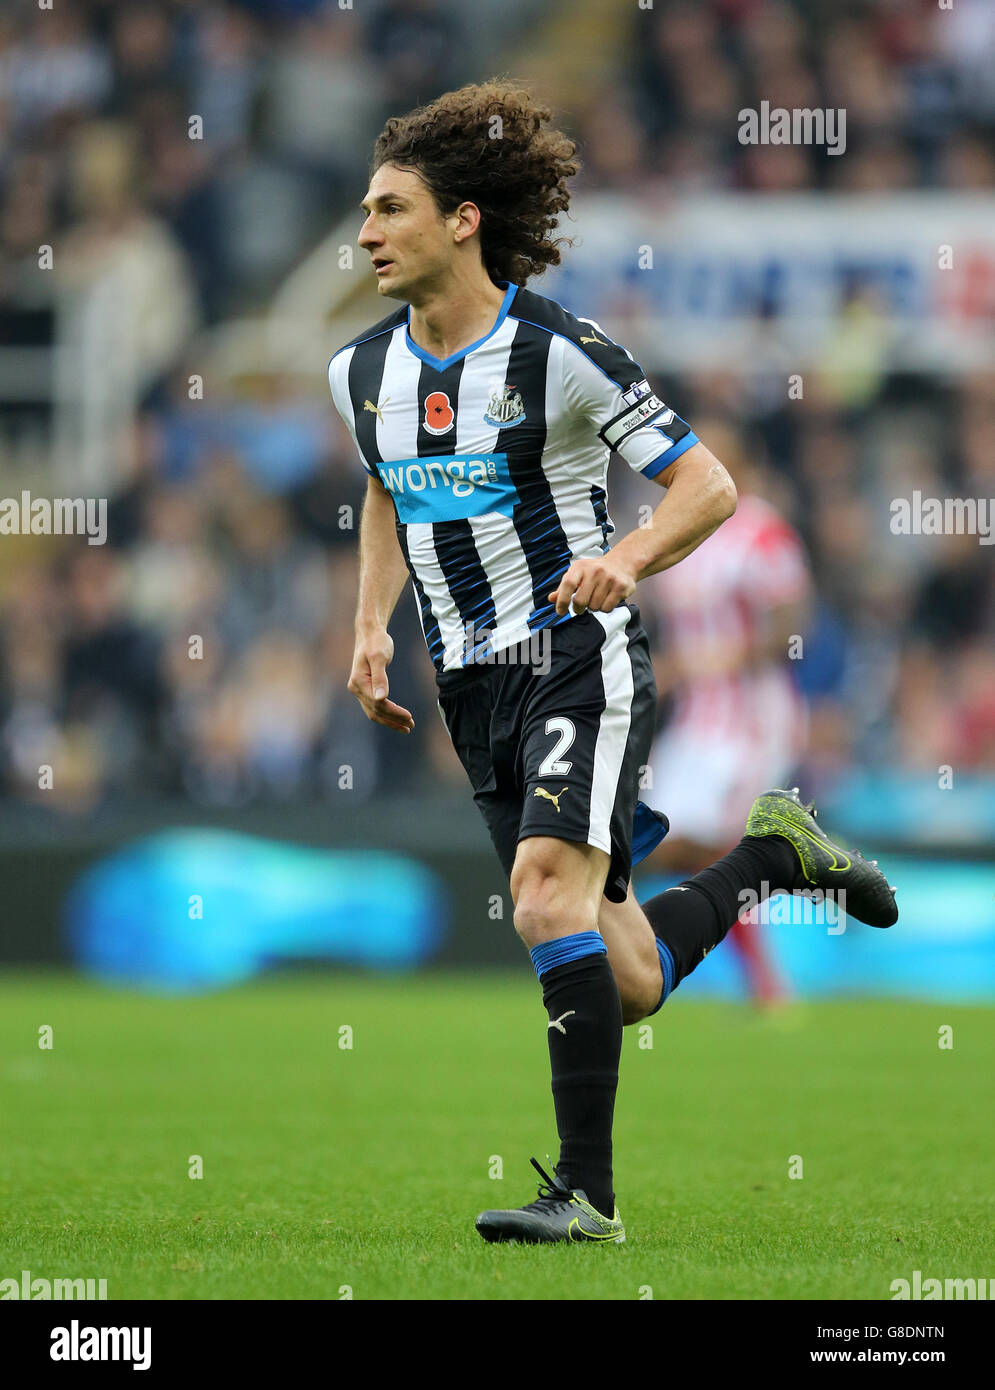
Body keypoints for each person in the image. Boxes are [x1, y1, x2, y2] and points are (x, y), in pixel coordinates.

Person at [329, 81, 897, 1245]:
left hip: (575, 657)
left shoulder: (560, 352)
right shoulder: (360, 373)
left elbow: (708, 485)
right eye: (365, 212)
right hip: (466, 682)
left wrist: (624, 560)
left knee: (543, 893)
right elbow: (386, 493)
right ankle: (769, 854)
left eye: (389, 209)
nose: (366, 233)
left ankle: (584, 1196)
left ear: (462, 220)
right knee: (626, 976)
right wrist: (368, 625)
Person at [643, 424, 813, 1005]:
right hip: (696, 720)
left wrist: (725, 656)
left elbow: (792, 628)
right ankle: (657, 962)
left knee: (716, 843)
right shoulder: (677, 530)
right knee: (658, 841)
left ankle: (765, 984)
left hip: (750, 722)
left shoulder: (763, 530)